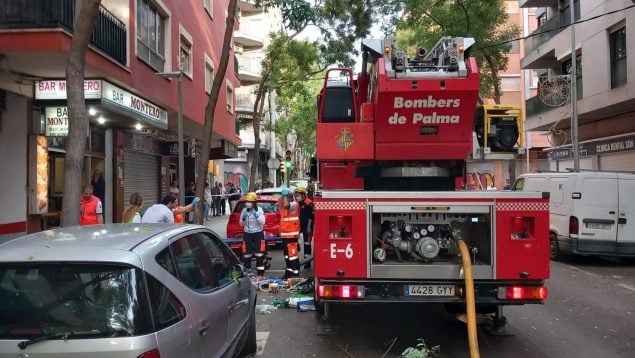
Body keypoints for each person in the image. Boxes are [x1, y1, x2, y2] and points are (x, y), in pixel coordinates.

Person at [239, 192, 266, 279]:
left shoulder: (259, 210)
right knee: (246, 254)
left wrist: (256, 215)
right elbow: (241, 224)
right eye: (247, 201)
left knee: (259, 254)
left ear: (254, 202)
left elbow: (263, 222)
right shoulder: (244, 211)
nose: (248, 203)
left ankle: (260, 274)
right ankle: (247, 273)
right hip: (247, 234)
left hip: (258, 233)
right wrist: (243, 218)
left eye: (250, 202)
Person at [279, 187, 301, 278]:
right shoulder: (287, 204)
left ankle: (295, 274)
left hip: (292, 235)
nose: (282, 198)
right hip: (285, 236)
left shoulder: (294, 205)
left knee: (292, 256)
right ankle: (289, 273)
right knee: (287, 256)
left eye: (284, 197)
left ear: (289, 197)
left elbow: (285, 205)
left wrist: (284, 195)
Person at [295, 187, 314, 269]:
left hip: (307, 225)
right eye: (296, 195)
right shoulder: (298, 203)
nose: (297, 196)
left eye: (298, 194)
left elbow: (311, 215)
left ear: (303, 194)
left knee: (307, 243)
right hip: (300, 225)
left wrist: (309, 226)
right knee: (295, 242)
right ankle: (296, 260)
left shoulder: (308, 202)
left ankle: (307, 262)